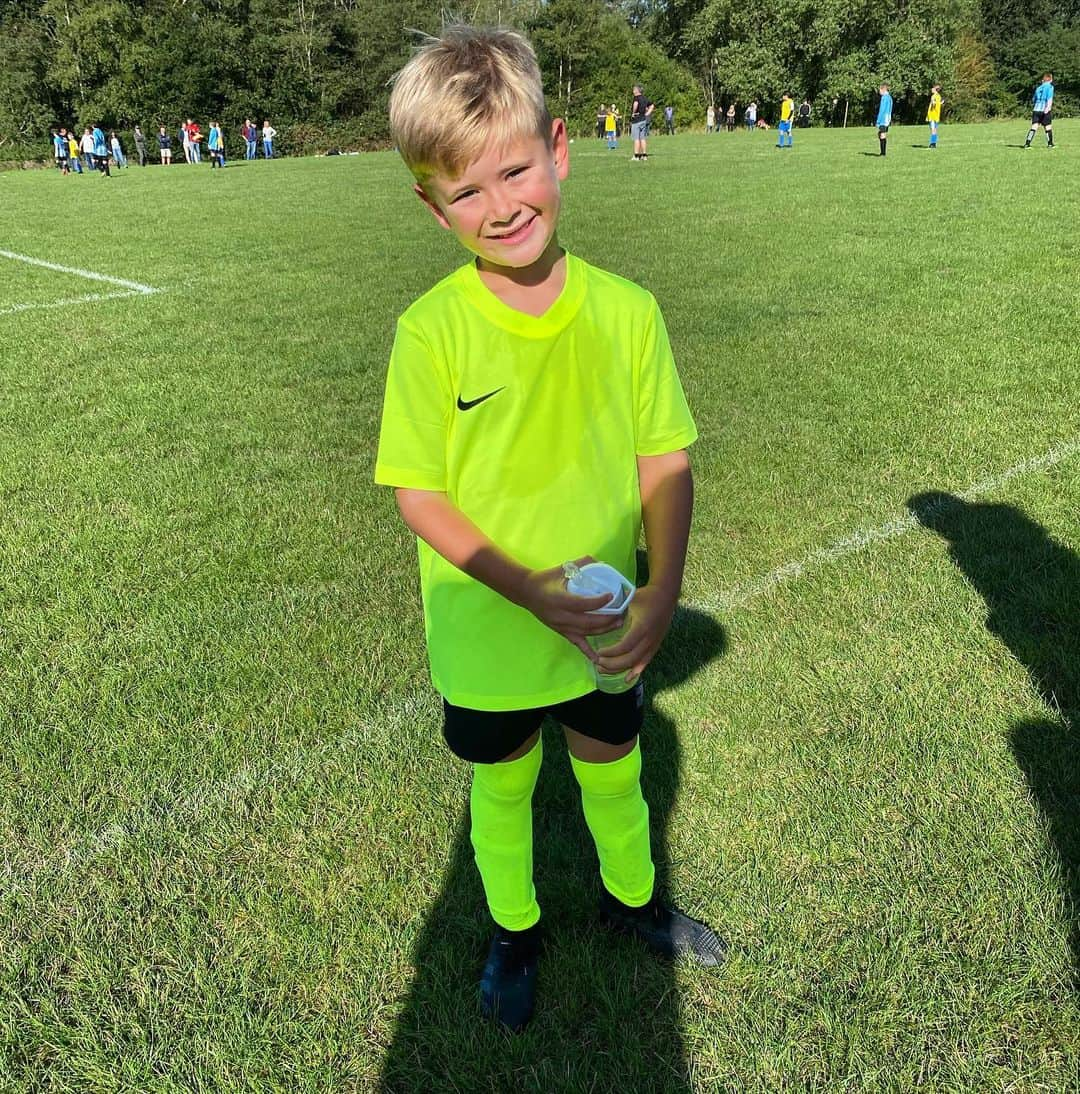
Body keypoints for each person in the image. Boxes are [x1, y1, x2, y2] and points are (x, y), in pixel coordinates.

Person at [377, 23, 724, 1034]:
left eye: (517, 169)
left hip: (607, 622)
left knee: (614, 765)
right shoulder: (429, 332)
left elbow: (665, 460)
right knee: (505, 782)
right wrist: (525, 588)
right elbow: (420, 494)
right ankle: (514, 928)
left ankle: (635, 902)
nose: (502, 205)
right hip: (489, 630)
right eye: (466, 190)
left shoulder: (627, 312)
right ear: (431, 203)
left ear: (560, 149)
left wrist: (660, 589)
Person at [1024, 72, 1054, 148]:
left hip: (1036, 109)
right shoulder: (1050, 87)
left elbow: (1034, 99)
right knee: (1048, 127)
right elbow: (1049, 99)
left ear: (1043, 80)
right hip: (1044, 109)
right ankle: (1050, 144)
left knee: (1034, 127)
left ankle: (1027, 144)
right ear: (1050, 79)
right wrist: (1048, 108)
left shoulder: (1038, 88)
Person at [629, 83, 654, 161]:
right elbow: (652, 105)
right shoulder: (645, 98)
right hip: (643, 120)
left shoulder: (636, 97)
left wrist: (633, 112)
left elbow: (635, 104)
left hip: (637, 120)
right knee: (642, 138)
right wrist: (647, 113)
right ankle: (644, 155)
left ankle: (636, 156)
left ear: (637, 90)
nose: (633, 91)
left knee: (636, 138)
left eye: (634, 89)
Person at [876, 83, 893, 156]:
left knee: (882, 134)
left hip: (883, 118)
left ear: (883, 89)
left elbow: (882, 110)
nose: (879, 91)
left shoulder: (884, 97)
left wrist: (878, 121)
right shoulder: (889, 97)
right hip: (888, 118)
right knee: (881, 134)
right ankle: (883, 152)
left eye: (880, 89)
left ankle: (883, 153)